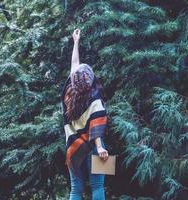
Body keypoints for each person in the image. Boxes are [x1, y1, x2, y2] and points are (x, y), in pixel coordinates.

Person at [60, 28, 109, 200]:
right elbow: (96, 125)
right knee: (98, 186)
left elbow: (74, 66)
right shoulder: (94, 99)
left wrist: (76, 42)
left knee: (75, 189)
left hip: (73, 146)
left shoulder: (68, 92)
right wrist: (100, 147)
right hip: (96, 146)